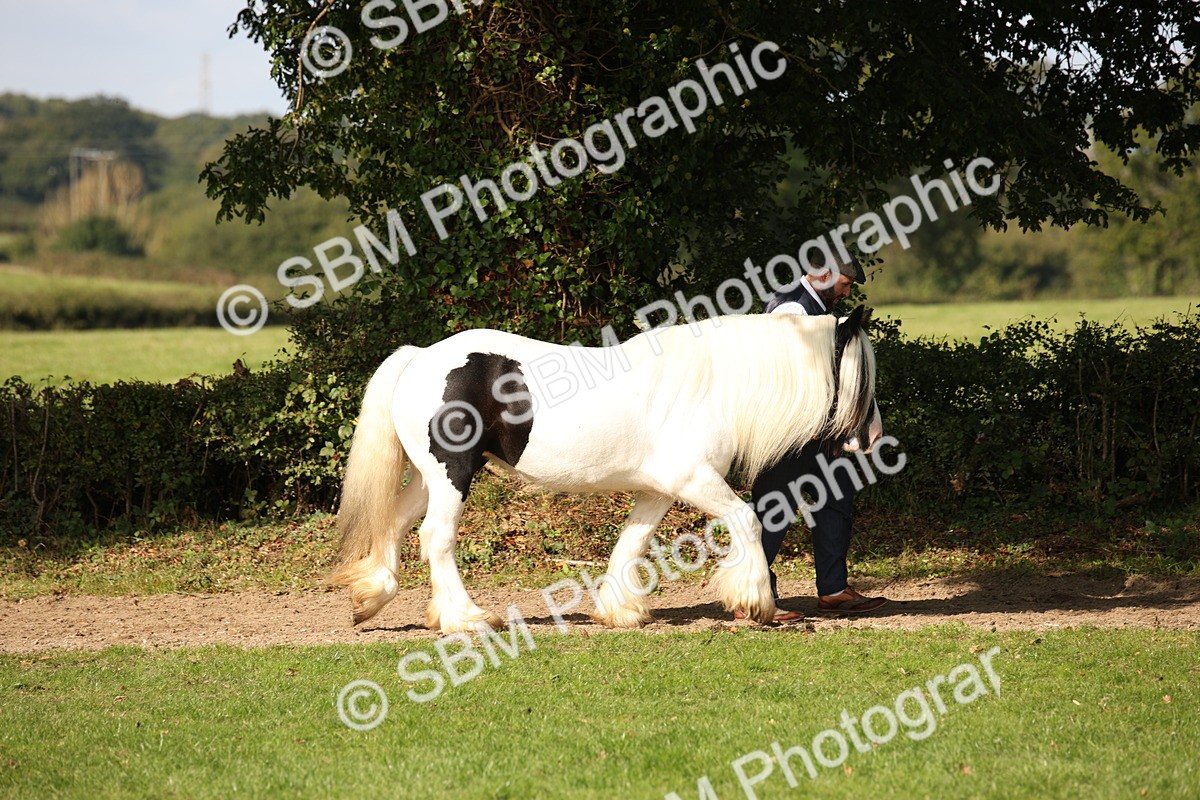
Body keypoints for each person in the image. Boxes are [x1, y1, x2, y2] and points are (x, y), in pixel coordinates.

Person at [744, 252, 889, 621]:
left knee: (836, 502)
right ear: (824, 274)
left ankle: (834, 590)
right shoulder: (790, 307)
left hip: (819, 434)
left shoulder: (818, 309)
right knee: (773, 513)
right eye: (844, 284)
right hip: (787, 436)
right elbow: (790, 373)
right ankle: (755, 596)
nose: (845, 293)